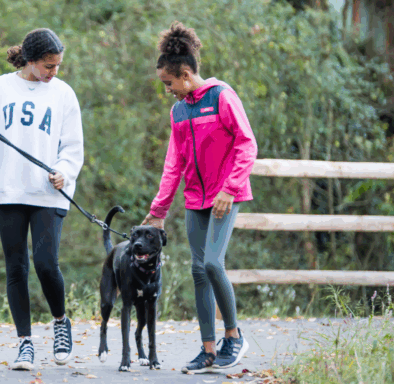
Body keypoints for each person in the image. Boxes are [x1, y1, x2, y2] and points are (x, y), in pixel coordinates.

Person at [141, 21, 257, 374]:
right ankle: (208, 350)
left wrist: (229, 189)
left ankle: (234, 337)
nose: (168, 91)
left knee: (212, 263)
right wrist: (158, 211)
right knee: (197, 270)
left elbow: (246, 144)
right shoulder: (179, 112)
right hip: (196, 200)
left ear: (187, 75)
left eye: (169, 84)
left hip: (225, 196)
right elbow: (173, 165)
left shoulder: (221, 96)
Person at [0, 28, 84, 371]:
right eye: (49, 66)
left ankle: (60, 322)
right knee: (15, 267)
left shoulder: (63, 94)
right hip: (8, 191)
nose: (54, 72)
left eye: (58, 65)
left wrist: (64, 170)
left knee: (46, 263)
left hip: (49, 192)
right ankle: (25, 343)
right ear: (30, 61)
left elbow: (73, 147)